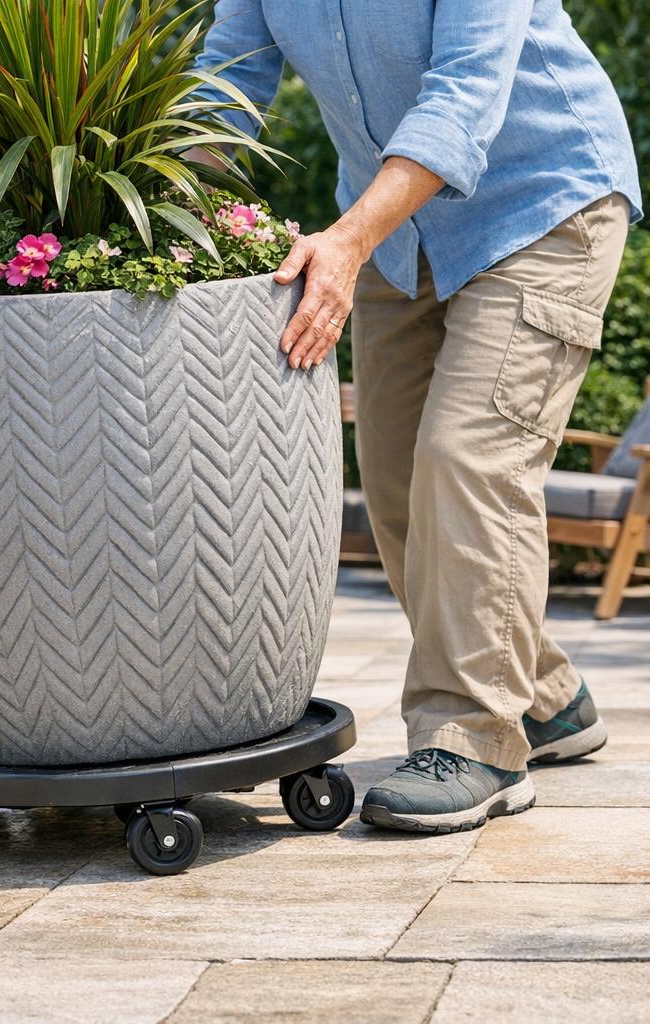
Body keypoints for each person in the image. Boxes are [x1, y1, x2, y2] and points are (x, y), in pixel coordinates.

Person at [192, 1, 642, 833]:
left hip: (540, 205)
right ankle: (545, 700)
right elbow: (220, 96)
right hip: (403, 233)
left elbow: (466, 92)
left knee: (467, 459)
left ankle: (476, 740)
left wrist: (347, 240)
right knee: (398, 488)